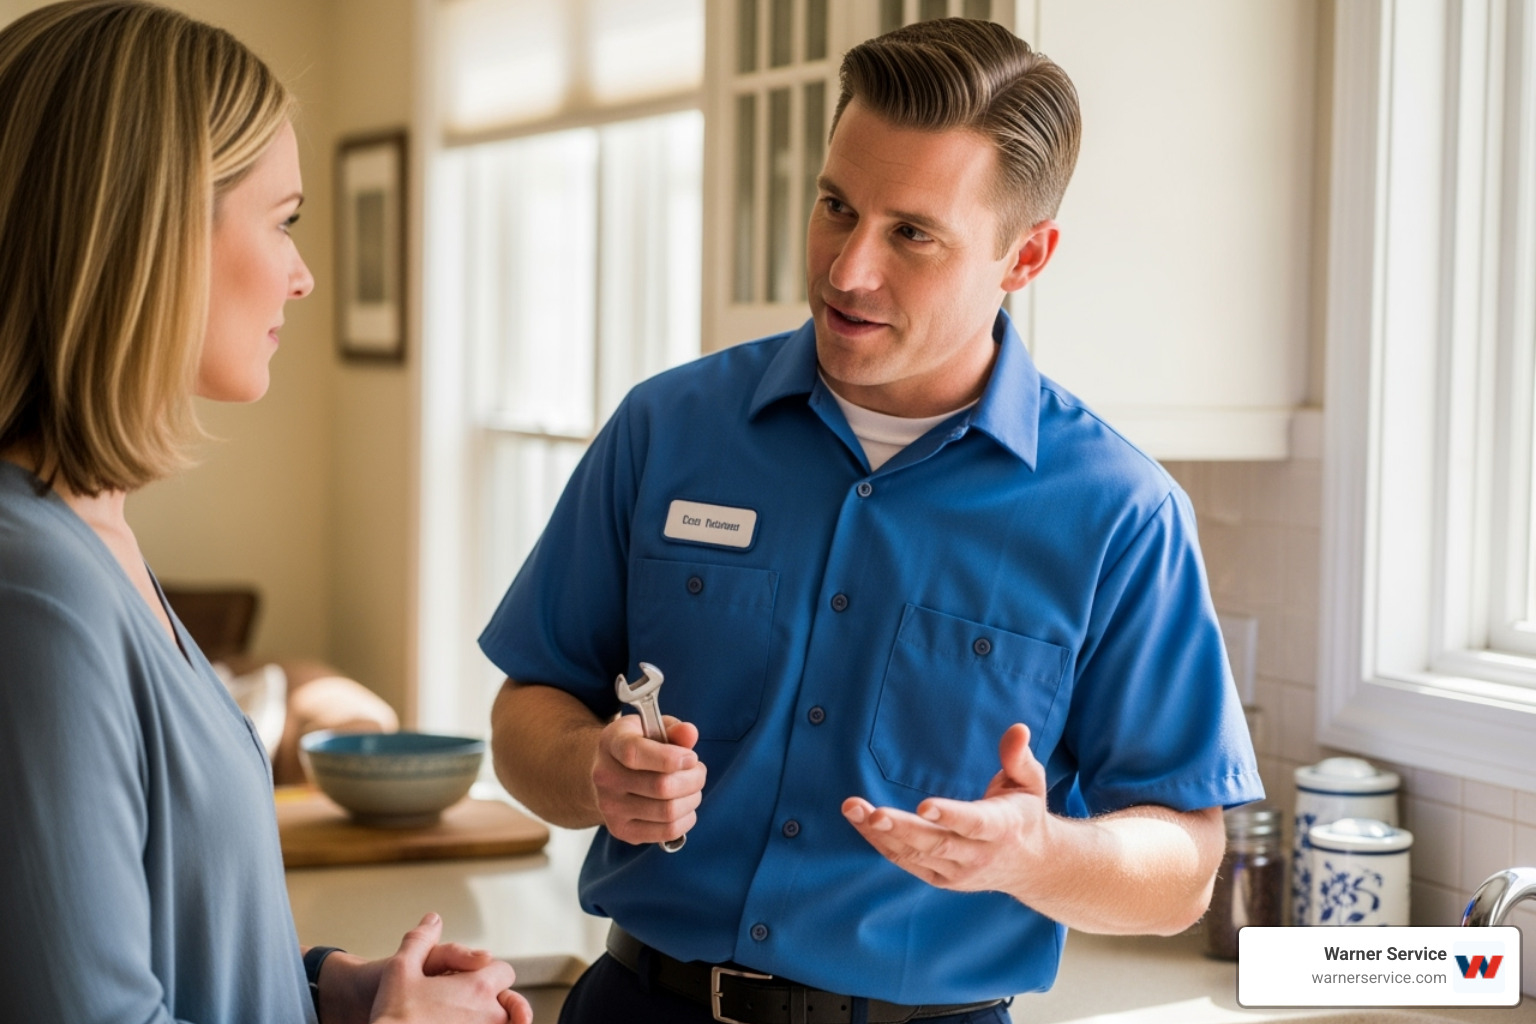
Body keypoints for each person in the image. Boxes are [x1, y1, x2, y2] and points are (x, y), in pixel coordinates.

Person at [482, 16, 1263, 1023]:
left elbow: (1185, 867)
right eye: (834, 206)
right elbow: (525, 712)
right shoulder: (665, 429)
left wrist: (1040, 852)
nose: (848, 269)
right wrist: (593, 772)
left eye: (911, 234)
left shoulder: (1121, 513)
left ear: (1026, 256)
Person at [0, 3, 532, 1022]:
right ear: (148, 234)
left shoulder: (91, 537)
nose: (303, 273)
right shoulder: (37, 591)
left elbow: (181, 948)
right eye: (282, 220)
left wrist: (332, 987)